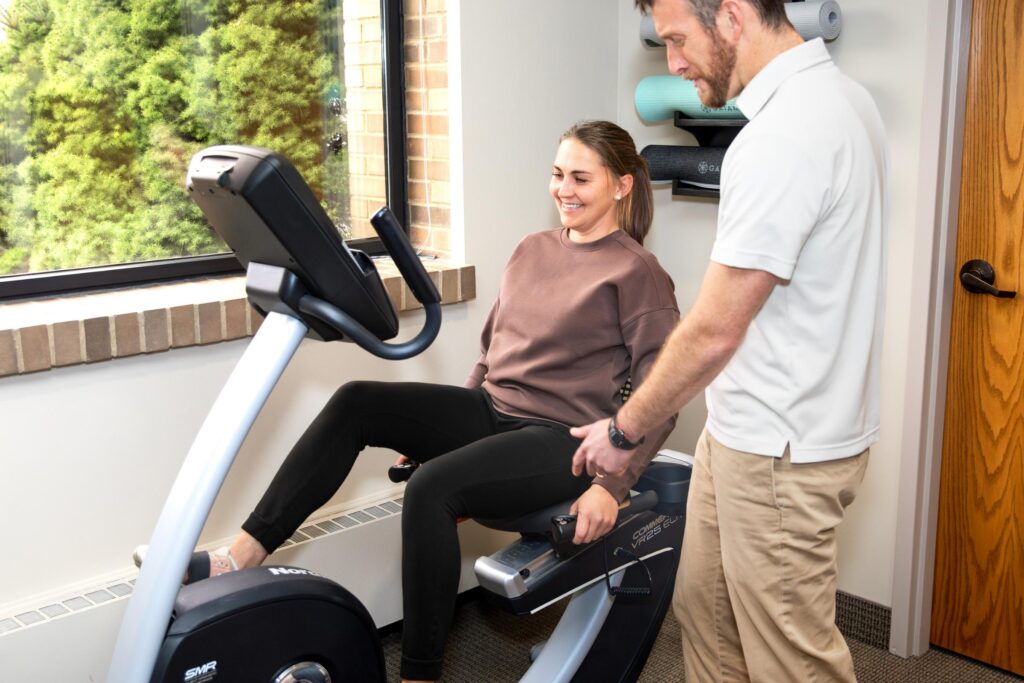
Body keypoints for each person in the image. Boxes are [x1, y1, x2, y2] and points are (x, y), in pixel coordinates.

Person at [137, 120, 679, 683]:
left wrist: (608, 487)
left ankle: (420, 675)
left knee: (431, 487)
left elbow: (661, 397)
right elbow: (493, 354)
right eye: (557, 174)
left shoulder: (636, 272)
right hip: (493, 412)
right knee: (357, 401)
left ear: (621, 186)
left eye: (581, 179)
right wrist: (444, 430)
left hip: (561, 441)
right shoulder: (532, 249)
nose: (564, 189)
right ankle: (241, 555)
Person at [570, 2, 889, 681]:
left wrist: (622, 433)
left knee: (791, 658)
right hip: (753, 430)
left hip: (780, 448)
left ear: (734, 16)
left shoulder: (783, 135)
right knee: (708, 613)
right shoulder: (846, 100)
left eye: (679, 40)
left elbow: (715, 329)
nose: (674, 63)